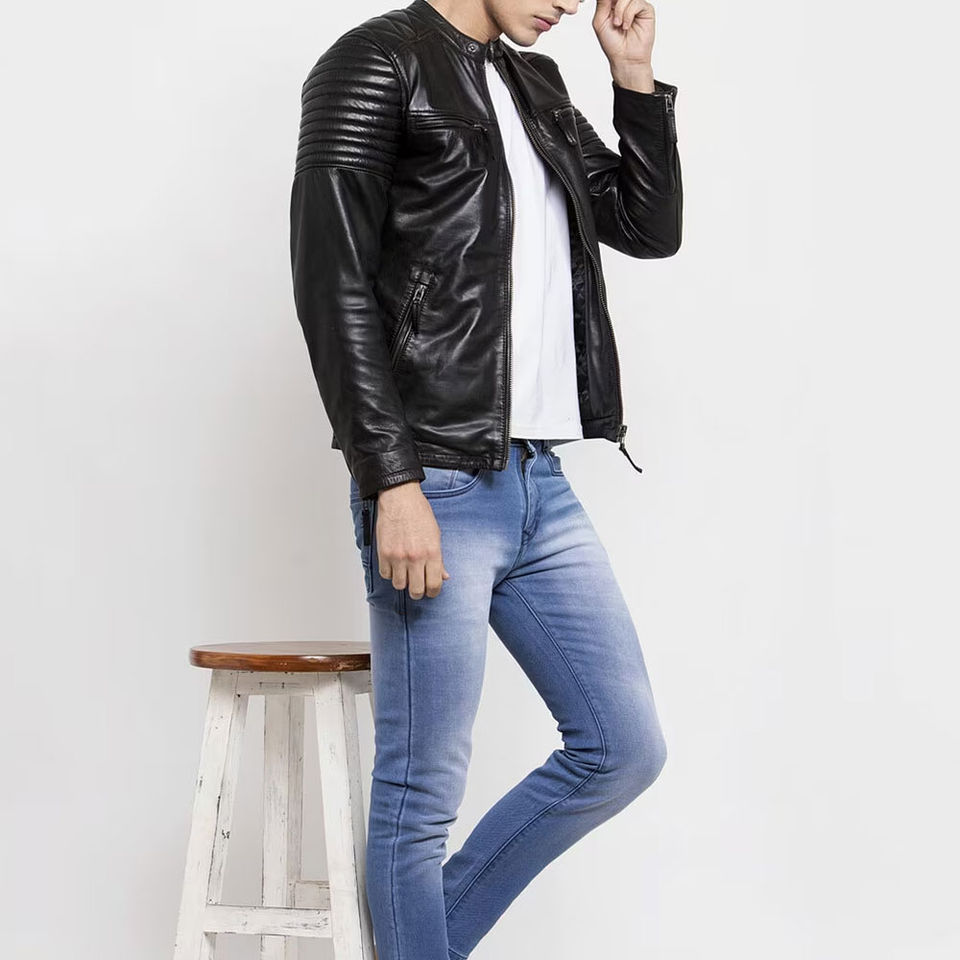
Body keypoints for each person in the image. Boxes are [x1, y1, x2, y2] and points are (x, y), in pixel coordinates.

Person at [289, 1, 682, 957]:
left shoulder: (531, 81)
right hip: (434, 479)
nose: (571, 3)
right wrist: (392, 480)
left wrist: (634, 81)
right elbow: (330, 284)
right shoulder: (375, 62)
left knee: (623, 749)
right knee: (420, 794)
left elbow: (646, 226)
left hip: (540, 482)